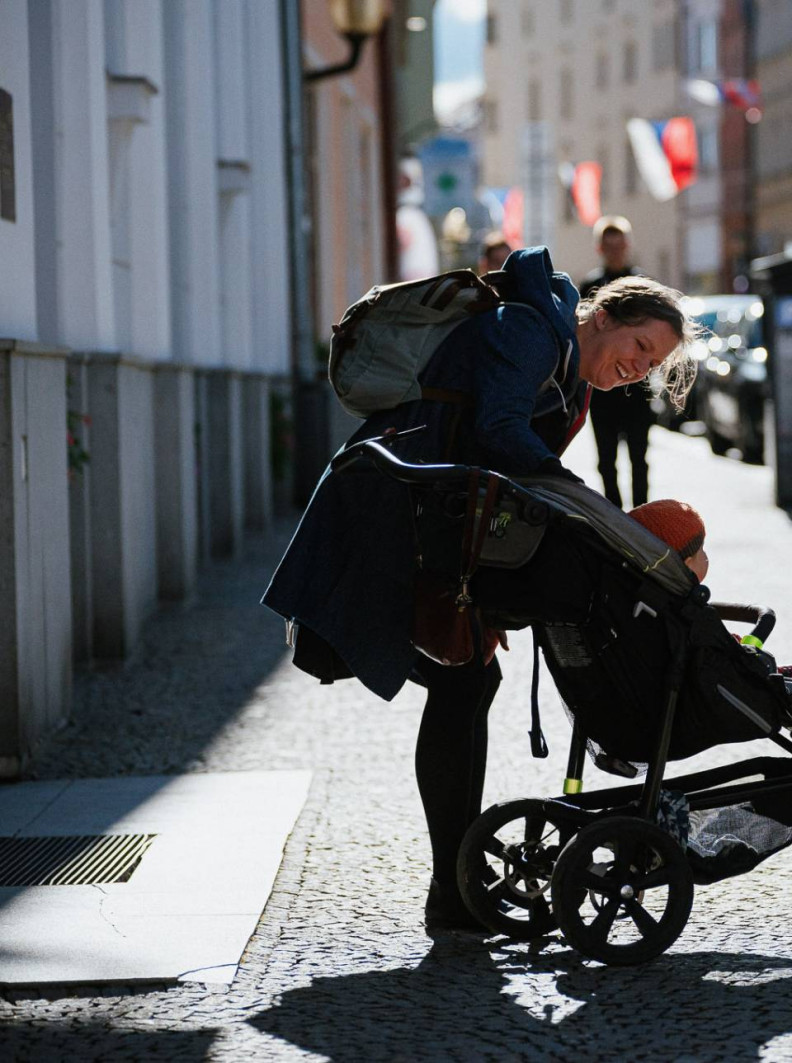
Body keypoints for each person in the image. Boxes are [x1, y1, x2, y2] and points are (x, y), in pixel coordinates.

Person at [262, 247, 699, 933]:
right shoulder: (531, 330)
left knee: (468, 685)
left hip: (426, 518)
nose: (637, 368)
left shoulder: (567, 371)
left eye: (650, 365)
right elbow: (498, 433)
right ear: (606, 314)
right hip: (387, 513)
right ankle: (455, 890)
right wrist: (585, 507)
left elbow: (506, 455)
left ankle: (457, 888)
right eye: (639, 346)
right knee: (464, 684)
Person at [626, 499, 792, 688]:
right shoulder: (686, 614)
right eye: (702, 551)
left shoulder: (646, 602)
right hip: (719, 680)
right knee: (742, 656)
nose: (706, 556)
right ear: (686, 566)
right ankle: (783, 679)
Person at [580, 216, 656, 508]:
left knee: (639, 458)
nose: (614, 250)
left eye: (619, 244)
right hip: (602, 392)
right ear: (600, 248)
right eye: (608, 245)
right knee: (606, 461)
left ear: (627, 246)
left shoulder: (642, 284)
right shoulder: (590, 285)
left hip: (637, 389)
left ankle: (642, 517)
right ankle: (614, 516)